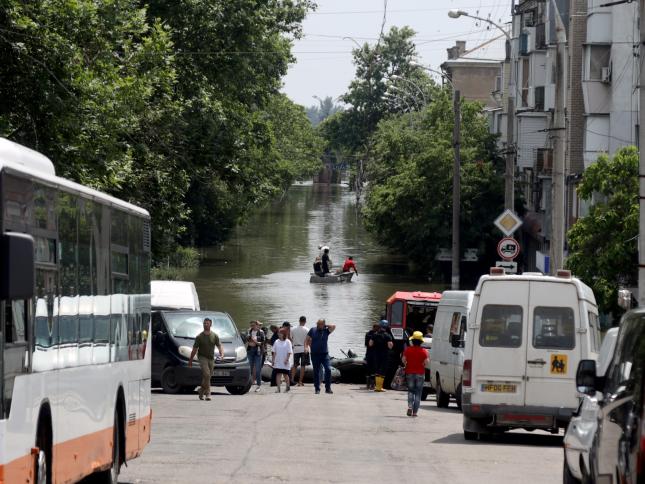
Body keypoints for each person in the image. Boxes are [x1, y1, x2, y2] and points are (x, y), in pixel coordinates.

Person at [188, 317, 224, 401]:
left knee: (207, 377)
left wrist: (222, 354)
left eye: (207, 323)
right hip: (202, 357)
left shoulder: (214, 335)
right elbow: (194, 349)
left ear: (210, 324)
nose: (205, 324)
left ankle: (201, 391)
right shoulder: (199, 337)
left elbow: (219, 346)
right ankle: (208, 394)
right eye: (204, 323)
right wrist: (190, 360)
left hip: (211, 358)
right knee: (207, 374)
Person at [305, 318, 336, 394]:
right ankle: (317, 389)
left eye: (321, 324)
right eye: (318, 324)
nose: (319, 325)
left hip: (324, 354)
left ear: (323, 324)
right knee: (316, 371)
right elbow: (306, 339)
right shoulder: (312, 330)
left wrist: (325, 325)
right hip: (314, 354)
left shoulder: (326, 331)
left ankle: (328, 388)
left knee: (328, 369)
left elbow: (334, 326)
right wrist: (306, 347)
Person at [402, 331, 429, 417]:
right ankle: (415, 412)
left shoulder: (408, 350)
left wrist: (406, 364)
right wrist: (422, 364)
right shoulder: (424, 351)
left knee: (411, 391)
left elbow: (403, 360)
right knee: (418, 393)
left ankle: (410, 406)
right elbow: (426, 363)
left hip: (409, 372)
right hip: (420, 373)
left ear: (412, 341)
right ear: (421, 341)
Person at [369, 320, 393, 392]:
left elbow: (370, 344)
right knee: (383, 370)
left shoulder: (375, 334)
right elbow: (390, 346)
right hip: (385, 355)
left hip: (376, 355)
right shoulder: (388, 335)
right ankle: (380, 387)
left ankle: (377, 387)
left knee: (377, 370)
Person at [247, 320, 266, 393]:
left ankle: (258, 386)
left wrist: (256, 342)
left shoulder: (261, 332)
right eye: (251, 325)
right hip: (250, 351)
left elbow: (263, 342)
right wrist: (250, 341)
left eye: (253, 325)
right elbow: (246, 339)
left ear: (256, 325)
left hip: (258, 352)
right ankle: (248, 385)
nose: (252, 326)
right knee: (249, 368)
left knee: (258, 369)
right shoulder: (249, 331)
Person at [272, 328, 293, 393]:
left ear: (284, 334)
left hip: (285, 361)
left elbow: (289, 352)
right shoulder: (276, 341)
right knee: (278, 374)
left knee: (285, 374)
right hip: (278, 361)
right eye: (278, 333)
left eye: (280, 333)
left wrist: (286, 359)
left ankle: (288, 386)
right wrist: (273, 360)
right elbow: (274, 351)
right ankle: (278, 388)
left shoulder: (288, 341)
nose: (278, 334)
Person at [291, 316, 310, 386]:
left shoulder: (293, 329)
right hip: (304, 348)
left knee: (295, 365)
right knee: (303, 366)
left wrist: (293, 343)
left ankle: (292, 379)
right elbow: (309, 340)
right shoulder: (307, 329)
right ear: (305, 321)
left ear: (299, 321)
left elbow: (290, 337)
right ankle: (300, 381)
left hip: (296, 348)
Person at [364, 323, 379, 390]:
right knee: (374, 369)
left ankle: (368, 385)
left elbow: (366, 344)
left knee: (368, 369)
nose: (378, 329)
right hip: (375, 354)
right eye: (378, 328)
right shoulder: (377, 335)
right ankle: (372, 385)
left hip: (368, 353)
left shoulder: (367, 334)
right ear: (375, 328)